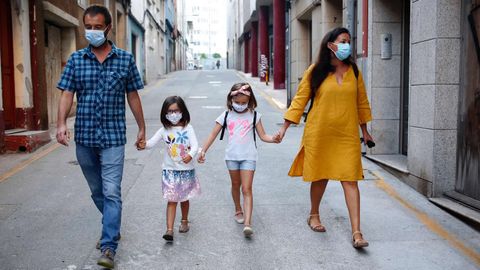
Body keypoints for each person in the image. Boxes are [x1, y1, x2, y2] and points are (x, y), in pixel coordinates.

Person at [56, 5, 146, 268]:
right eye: (88, 26)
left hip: (113, 137)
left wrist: (141, 127)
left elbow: (132, 95)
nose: (92, 31)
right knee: (97, 191)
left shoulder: (125, 59)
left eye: (97, 27)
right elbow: (66, 93)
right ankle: (112, 225)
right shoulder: (76, 60)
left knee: (111, 191)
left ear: (108, 28)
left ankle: (108, 246)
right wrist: (61, 124)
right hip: (84, 137)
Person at [277, 27, 373, 249]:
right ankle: (313, 214)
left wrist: (365, 131)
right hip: (319, 133)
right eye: (342, 41)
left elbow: (362, 103)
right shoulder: (316, 71)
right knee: (320, 176)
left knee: (350, 179)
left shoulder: (355, 72)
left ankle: (357, 232)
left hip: (347, 135)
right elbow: (300, 101)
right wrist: (284, 127)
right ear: (330, 44)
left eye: (349, 41)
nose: (347, 45)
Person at [198, 83, 280, 237]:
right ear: (231, 100)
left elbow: (263, 136)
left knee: (247, 188)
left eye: (244, 103)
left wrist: (274, 139)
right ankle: (238, 209)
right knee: (235, 185)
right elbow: (212, 134)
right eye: (238, 102)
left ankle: (248, 224)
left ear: (250, 100)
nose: (241, 105)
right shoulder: (226, 115)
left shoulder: (255, 115)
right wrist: (203, 151)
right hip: (232, 157)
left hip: (249, 156)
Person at [141, 96, 200, 242]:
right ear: (165, 114)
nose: (173, 114)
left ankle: (184, 221)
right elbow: (150, 143)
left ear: (182, 111)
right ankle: (169, 230)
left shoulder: (188, 128)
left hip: (186, 170)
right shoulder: (164, 130)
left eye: (176, 111)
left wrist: (191, 155)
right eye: (170, 112)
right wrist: (142, 144)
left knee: (184, 198)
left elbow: (195, 145)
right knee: (172, 199)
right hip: (170, 171)